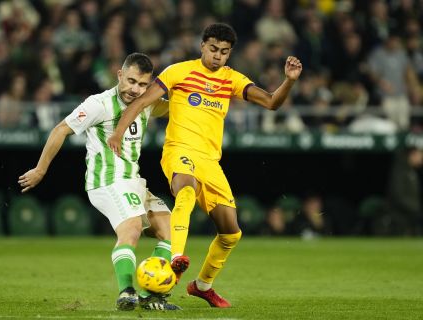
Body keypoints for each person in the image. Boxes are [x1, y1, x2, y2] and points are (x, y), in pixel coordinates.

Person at [108, 23, 302, 308]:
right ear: (202, 46)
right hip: (179, 151)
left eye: (224, 52)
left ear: (229, 53)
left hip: (210, 161)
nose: (217, 56)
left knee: (231, 233)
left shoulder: (232, 79)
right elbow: (141, 102)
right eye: (213, 49)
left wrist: (290, 81)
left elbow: (272, 102)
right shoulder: (178, 72)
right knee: (186, 191)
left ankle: (202, 286)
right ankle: (176, 258)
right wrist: (118, 131)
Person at [18, 53, 180, 311]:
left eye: (141, 85)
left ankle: (150, 294)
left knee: (171, 229)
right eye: (131, 81)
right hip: (106, 181)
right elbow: (61, 129)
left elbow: (177, 106)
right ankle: (127, 292)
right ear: (119, 75)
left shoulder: (146, 102)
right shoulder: (99, 104)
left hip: (133, 181)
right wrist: (40, 169)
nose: (135, 89)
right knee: (132, 228)